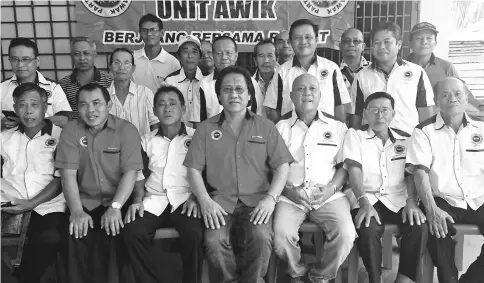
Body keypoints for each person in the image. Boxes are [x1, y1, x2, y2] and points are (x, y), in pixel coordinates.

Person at [184, 66, 293, 283]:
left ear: (250, 95)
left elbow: (282, 166)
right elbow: (193, 169)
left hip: (257, 202)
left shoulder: (266, 126)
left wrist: (271, 199)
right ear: (219, 96)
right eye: (227, 89)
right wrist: (205, 201)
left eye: (239, 89)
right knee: (214, 242)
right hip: (220, 202)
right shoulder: (205, 129)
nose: (234, 94)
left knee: (261, 238)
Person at [54, 83, 143, 283]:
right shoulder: (71, 131)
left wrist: (115, 207)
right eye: (84, 105)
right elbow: (67, 174)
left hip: (118, 200)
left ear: (108, 105)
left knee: (113, 234)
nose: (91, 110)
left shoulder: (126, 130)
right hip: (84, 200)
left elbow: (131, 173)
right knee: (73, 235)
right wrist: (76, 211)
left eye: (97, 103)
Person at [273, 74, 356, 283]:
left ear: (320, 95)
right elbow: (272, 168)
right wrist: (288, 190)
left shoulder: (337, 127)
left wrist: (332, 188)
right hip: (291, 195)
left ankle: (320, 276)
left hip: (328, 194)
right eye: (301, 89)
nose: (307, 93)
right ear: (291, 95)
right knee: (281, 237)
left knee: (346, 234)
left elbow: (344, 167)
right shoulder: (279, 128)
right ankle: (297, 272)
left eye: (312, 89)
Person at [121, 85, 204, 283]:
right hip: (153, 199)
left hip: (185, 200)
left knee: (195, 233)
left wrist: (195, 198)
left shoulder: (197, 137)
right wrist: (138, 200)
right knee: (132, 231)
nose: (167, 109)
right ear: (155, 111)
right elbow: (138, 173)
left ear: (183, 109)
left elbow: (205, 172)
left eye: (173, 103)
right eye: (161, 104)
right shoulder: (146, 140)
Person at [343, 92, 428, 283]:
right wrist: (364, 202)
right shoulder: (355, 135)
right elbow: (354, 170)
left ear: (393, 114)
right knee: (367, 227)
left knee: (419, 227)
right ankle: (376, 279)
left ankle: (404, 279)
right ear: (365, 113)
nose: (379, 115)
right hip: (367, 197)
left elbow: (410, 173)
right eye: (374, 110)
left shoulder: (406, 139)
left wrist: (412, 202)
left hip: (399, 198)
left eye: (384, 110)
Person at [406, 77, 484, 283]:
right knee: (438, 234)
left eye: (458, 94)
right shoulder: (423, 131)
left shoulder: (481, 129)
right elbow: (419, 172)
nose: (452, 99)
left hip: (478, 198)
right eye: (445, 95)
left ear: (466, 97)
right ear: (436, 100)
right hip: (443, 200)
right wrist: (431, 209)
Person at [1, 83, 66, 283]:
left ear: (45, 107)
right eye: (22, 105)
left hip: (47, 204)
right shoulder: (4, 137)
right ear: (14, 107)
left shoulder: (60, 136)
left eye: (34, 105)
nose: (28, 111)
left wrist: (31, 203)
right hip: (9, 201)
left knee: (48, 238)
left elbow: (61, 178)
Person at [350, 22, 435, 134]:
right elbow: (356, 116)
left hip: (408, 140)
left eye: (387, 42)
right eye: (377, 43)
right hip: (371, 143)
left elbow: (426, 113)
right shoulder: (362, 76)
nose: (382, 47)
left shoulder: (416, 73)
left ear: (399, 45)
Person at [264, 19, 351, 124]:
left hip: (325, 136)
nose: (303, 42)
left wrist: (339, 132)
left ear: (317, 39)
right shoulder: (281, 71)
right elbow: (274, 109)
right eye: (297, 38)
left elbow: (340, 105)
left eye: (308, 37)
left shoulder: (331, 68)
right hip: (291, 136)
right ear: (291, 42)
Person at [406, 22, 483, 110]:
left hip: (439, 120)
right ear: (410, 44)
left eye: (429, 38)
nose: (424, 42)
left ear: (435, 43)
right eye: (419, 38)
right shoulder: (400, 67)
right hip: (408, 120)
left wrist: (480, 107)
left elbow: (463, 93)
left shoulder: (446, 67)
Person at [1, 38, 72, 130]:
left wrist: (25, 121)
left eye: (26, 59)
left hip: (48, 142)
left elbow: (65, 119)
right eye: (15, 59)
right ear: (9, 61)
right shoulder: (2, 88)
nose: (20, 64)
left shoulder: (53, 87)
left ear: (37, 61)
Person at [197, 35, 265, 120]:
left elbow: (259, 115)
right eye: (218, 53)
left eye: (228, 53)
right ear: (213, 56)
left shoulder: (251, 82)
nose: (224, 57)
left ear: (236, 56)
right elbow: (198, 122)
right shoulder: (203, 85)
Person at [107, 47, 159, 136]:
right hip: (111, 148)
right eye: (117, 63)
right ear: (110, 67)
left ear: (133, 68)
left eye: (126, 63)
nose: (122, 67)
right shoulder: (103, 95)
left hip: (141, 148)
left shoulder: (145, 93)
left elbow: (155, 124)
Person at [59, 36, 113, 120]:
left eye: (86, 53)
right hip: (75, 131)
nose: (82, 58)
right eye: (77, 54)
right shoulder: (63, 85)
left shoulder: (109, 82)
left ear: (95, 55)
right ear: (72, 56)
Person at [132, 13, 180, 93]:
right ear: (140, 34)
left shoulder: (173, 63)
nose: (149, 34)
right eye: (144, 30)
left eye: (153, 30)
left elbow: (176, 92)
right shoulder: (132, 58)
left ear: (161, 33)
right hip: (135, 105)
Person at [165, 35, 204, 128]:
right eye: (185, 51)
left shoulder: (207, 81)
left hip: (203, 135)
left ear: (200, 57)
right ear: (178, 56)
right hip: (177, 136)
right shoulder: (169, 81)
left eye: (194, 52)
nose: (190, 56)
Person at [339, 28, 370, 121]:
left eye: (356, 41)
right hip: (341, 125)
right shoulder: (333, 72)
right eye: (347, 41)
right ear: (340, 46)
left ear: (363, 46)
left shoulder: (374, 71)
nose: (351, 44)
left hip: (369, 126)